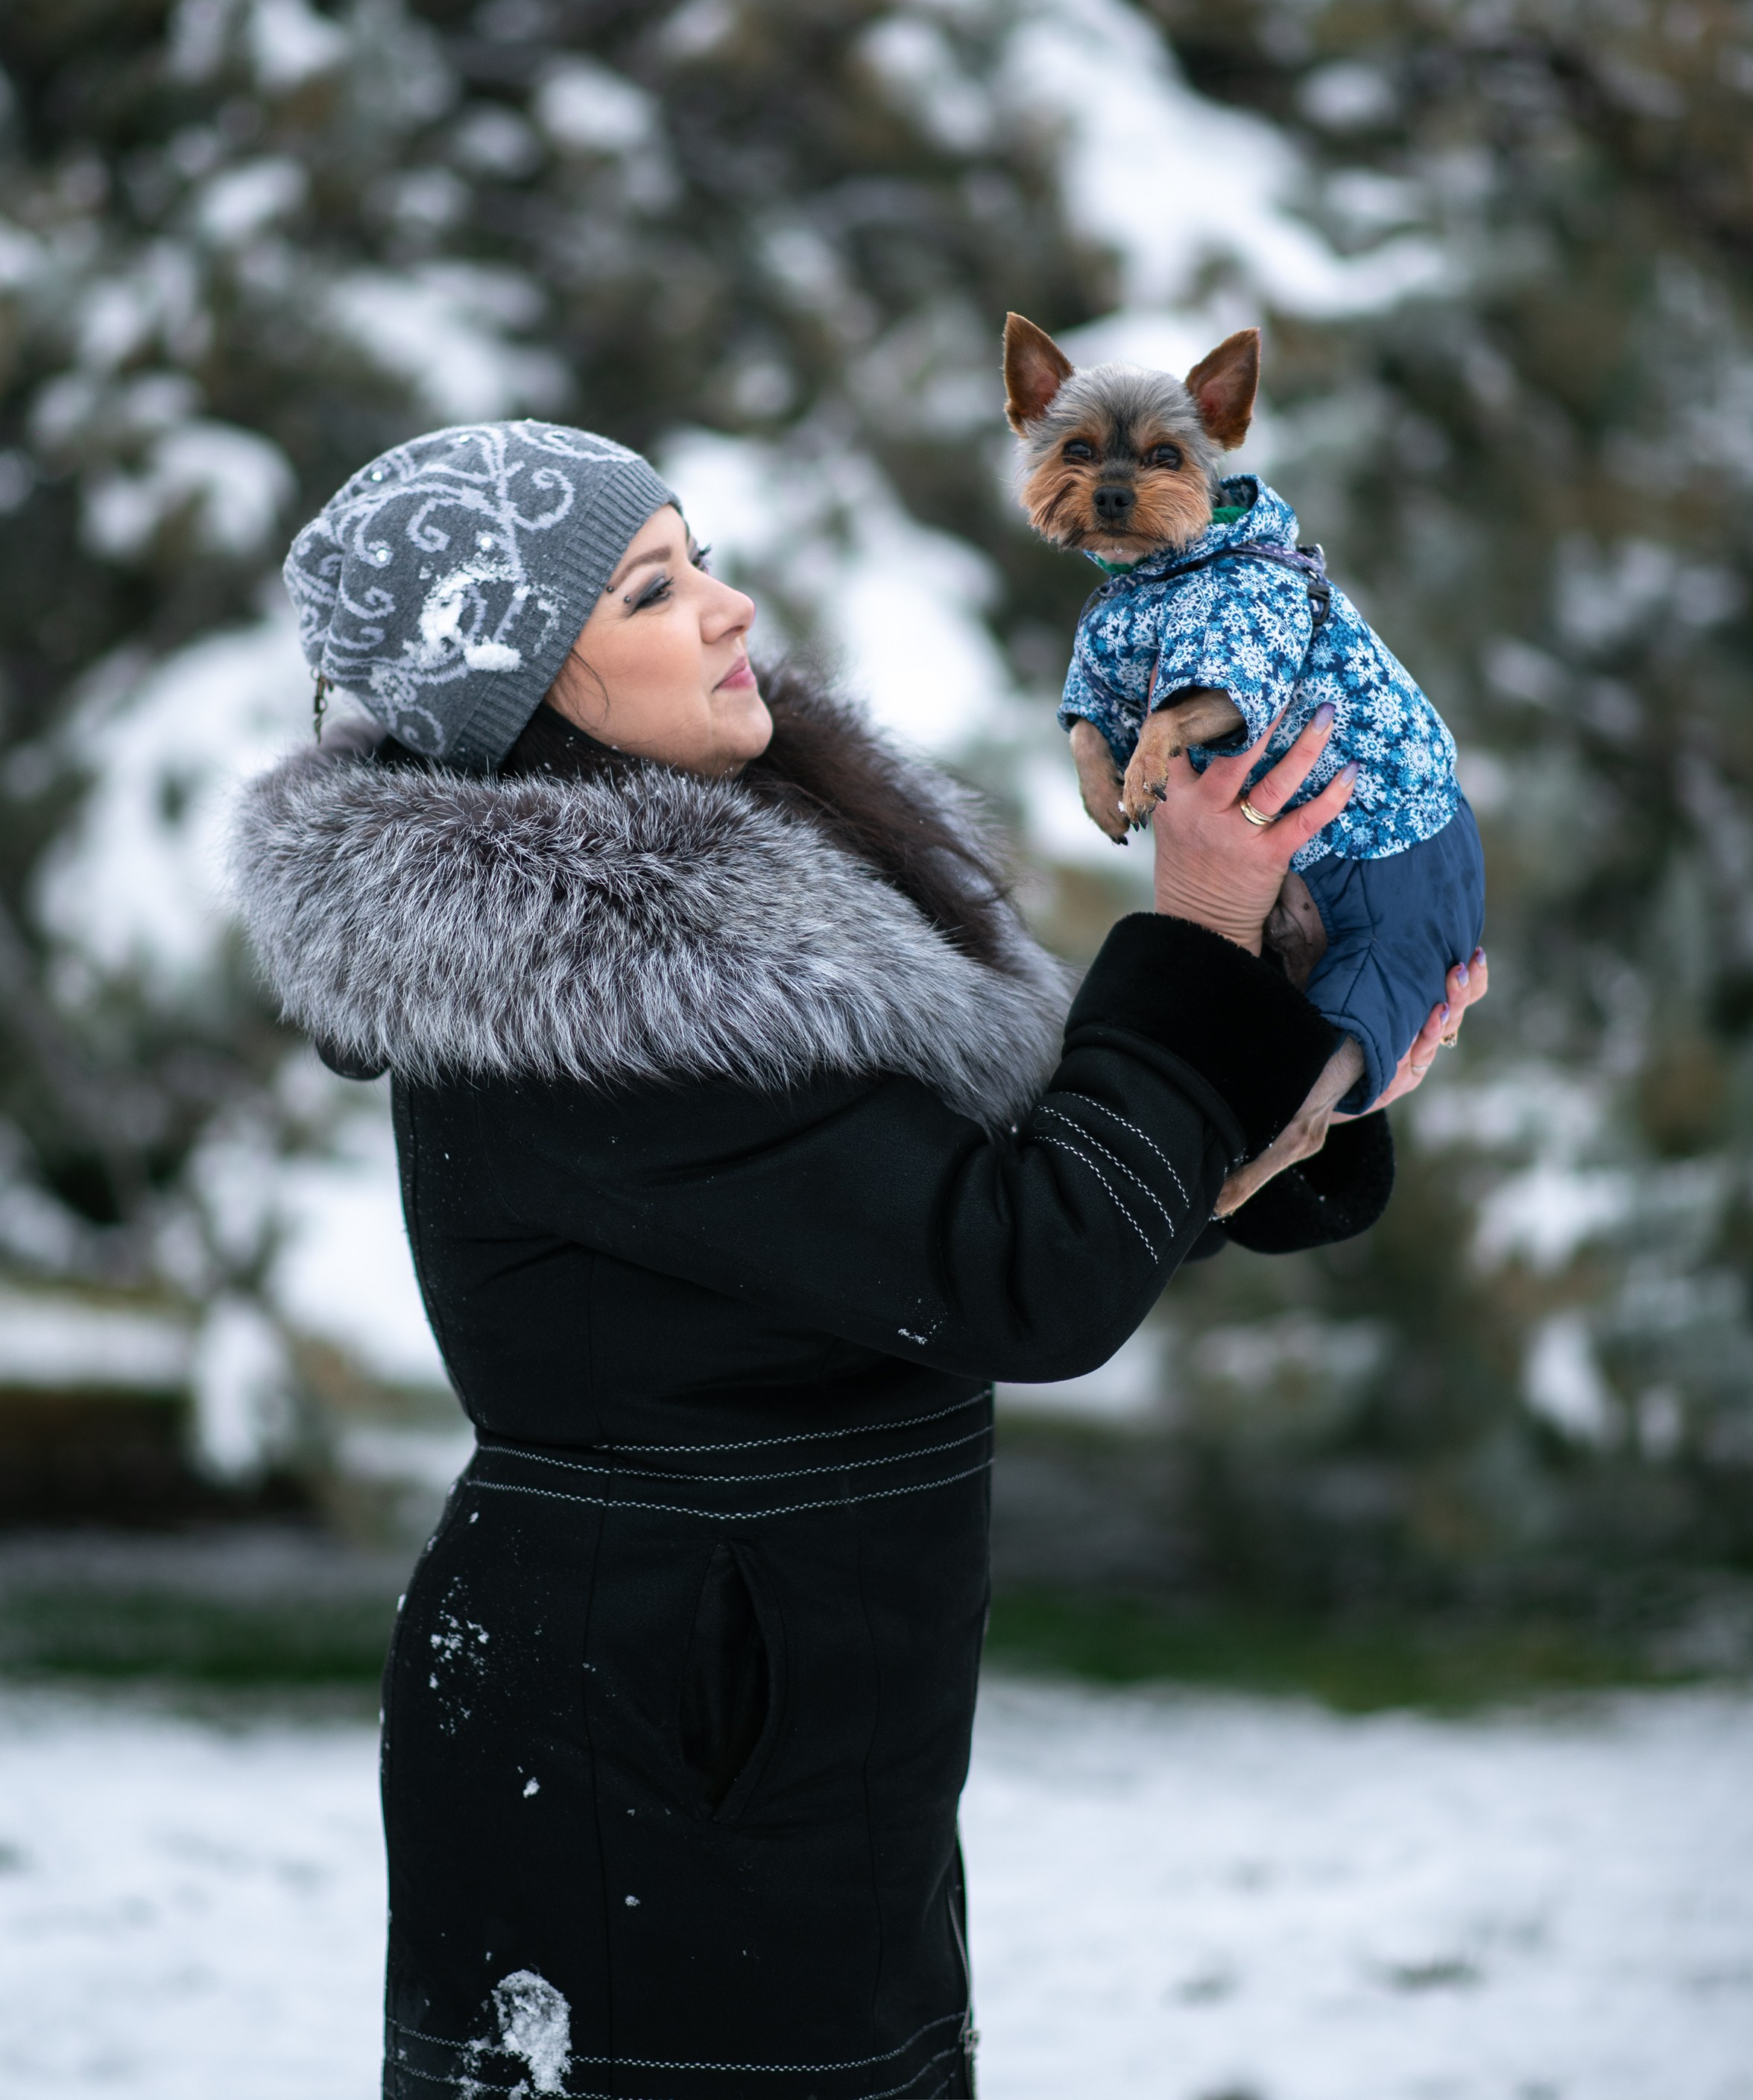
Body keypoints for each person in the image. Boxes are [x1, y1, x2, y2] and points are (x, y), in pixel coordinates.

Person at [230, 420, 1482, 2100]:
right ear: (523, 685)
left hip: (771, 1708)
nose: (736, 607)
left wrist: (1306, 1074)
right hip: (653, 1746)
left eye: (700, 556)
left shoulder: (748, 910)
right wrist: (1190, 941)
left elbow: (1003, 1209)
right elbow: (1018, 1273)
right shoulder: (587, 992)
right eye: (656, 593)